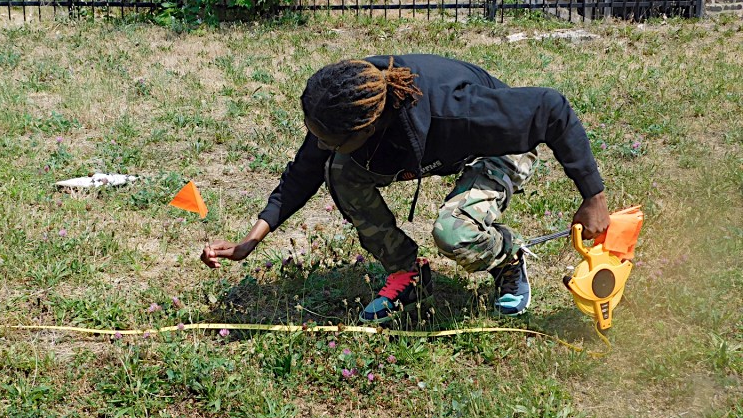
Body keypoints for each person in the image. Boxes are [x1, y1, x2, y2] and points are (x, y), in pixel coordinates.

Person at [201, 54, 610, 324]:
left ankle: (507, 258)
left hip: (496, 150)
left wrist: (593, 197)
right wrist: (251, 240)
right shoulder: (344, 107)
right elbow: (305, 171)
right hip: (431, 147)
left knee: (454, 233)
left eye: (329, 138)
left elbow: (552, 109)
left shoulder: (459, 111)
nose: (319, 144)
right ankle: (407, 274)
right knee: (338, 169)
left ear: (366, 127)